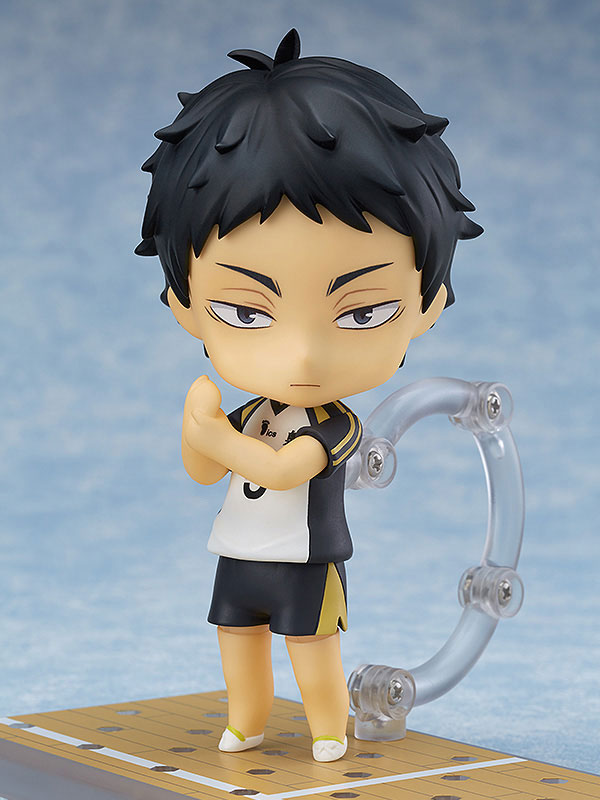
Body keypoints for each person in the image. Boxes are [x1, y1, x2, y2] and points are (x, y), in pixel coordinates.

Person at [136, 28, 482, 762]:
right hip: (239, 551)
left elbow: (283, 468)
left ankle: (327, 726)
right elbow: (205, 470)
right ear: (184, 305)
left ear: (427, 304)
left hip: (305, 562)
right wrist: (197, 430)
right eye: (245, 312)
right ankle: (247, 721)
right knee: (236, 637)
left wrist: (214, 432)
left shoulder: (330, 423)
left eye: (362, 312)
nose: (301, 356)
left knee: (311, 644)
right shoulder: (251, 413)